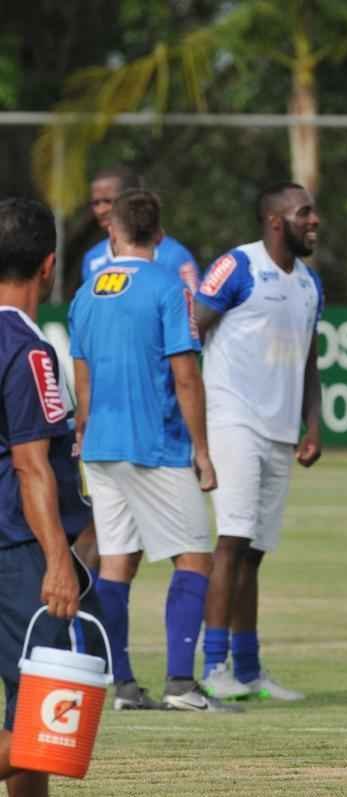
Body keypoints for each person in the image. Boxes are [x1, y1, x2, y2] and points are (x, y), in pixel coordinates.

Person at [69, 189, 229, 712]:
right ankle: (181, 685)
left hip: (101, 446)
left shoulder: (87, 290)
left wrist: (84, 430)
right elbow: (186, 375)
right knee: (195, 558)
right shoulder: (168, 285)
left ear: (111, 232)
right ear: (159, 235)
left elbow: (83, 371)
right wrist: (202, 450)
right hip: (154, 444)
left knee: (116, 563)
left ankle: (124, 687)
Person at [195, 182, 324, 702]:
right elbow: (193, 326)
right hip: (232, 419)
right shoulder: (237, 266)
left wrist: (311, 425)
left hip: (278, 430)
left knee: (253, 552)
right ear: (276, 221)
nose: (314, 221)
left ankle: (248, 669)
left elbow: (310, 358)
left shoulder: (310, 284)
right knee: (231, 540)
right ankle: (212, 665)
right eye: (304, 213)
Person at [0, 197, 97, 797]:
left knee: (29, 717)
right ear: (49, 266)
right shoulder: (27, 349)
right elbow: (33, 468)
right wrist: (59, 562)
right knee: (46, 725)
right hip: (17, 550)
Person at [81, 167, 199, 291]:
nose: (101, 210)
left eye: (108, 201)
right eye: (95, 203)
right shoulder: (92, 258)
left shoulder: (174, 256)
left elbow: (193, 306)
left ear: (133, 201)